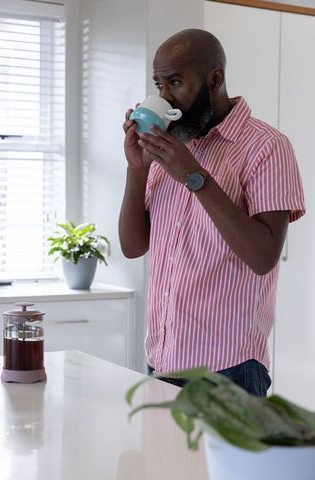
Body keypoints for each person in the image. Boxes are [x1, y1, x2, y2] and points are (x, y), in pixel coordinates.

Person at [118, 29, 305, 397]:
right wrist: (137, 169)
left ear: (214, 78)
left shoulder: (266, 147)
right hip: (162, 361)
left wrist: (195, 176)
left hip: (229, 372)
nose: (164, 96)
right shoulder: (170, 147)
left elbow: (263, 256)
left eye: (175, 82)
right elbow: (133, 246)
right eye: (159, 84)